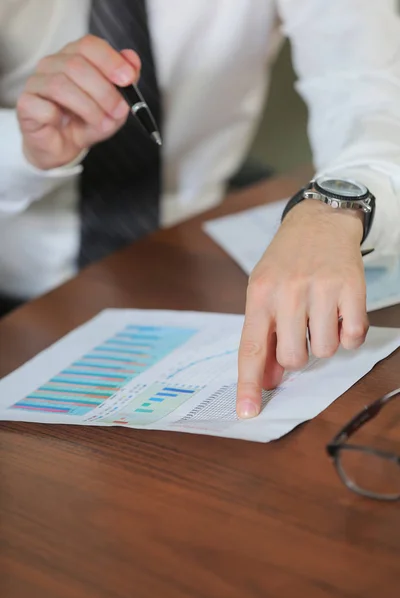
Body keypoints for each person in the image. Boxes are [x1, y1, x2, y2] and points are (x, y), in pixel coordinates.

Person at [1, 0, 400, 419]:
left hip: (196, 261)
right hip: (16, 291)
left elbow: (368, 86)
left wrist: (331, 208)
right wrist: (23, 147)